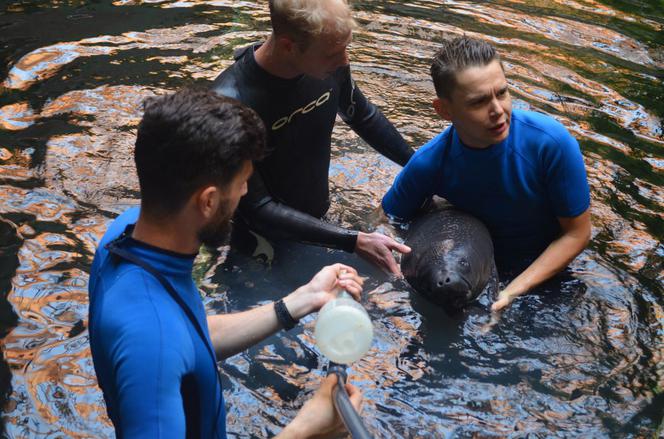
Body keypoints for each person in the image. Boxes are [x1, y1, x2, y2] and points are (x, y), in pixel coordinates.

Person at [88, 88, 364, 438]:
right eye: (243, 182)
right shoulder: (151, 344)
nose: (246, 193)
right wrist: (305, 431)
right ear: (208, 201)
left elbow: (184, 337)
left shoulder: (125, 235)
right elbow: (160, 340)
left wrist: (300, 301)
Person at [382, 36, 591, 312]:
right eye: (479, 102)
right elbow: (386, 221)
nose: (497, 110)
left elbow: (577, 234)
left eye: (502, 93)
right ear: (444, 110)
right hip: (466, 271)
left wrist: (512, 291)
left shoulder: (550, 144)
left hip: (547, 273)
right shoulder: (428, 164)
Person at [211, 0, 414, 276]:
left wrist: (421, 168)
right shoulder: (230, 104)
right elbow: (258, 207)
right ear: (288, 46)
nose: (344, 61)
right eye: (332, 53)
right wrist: (352, 240)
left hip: (321, 222)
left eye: (346, 47)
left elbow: (362, 116)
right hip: (260, 245)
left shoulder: (328, 63)